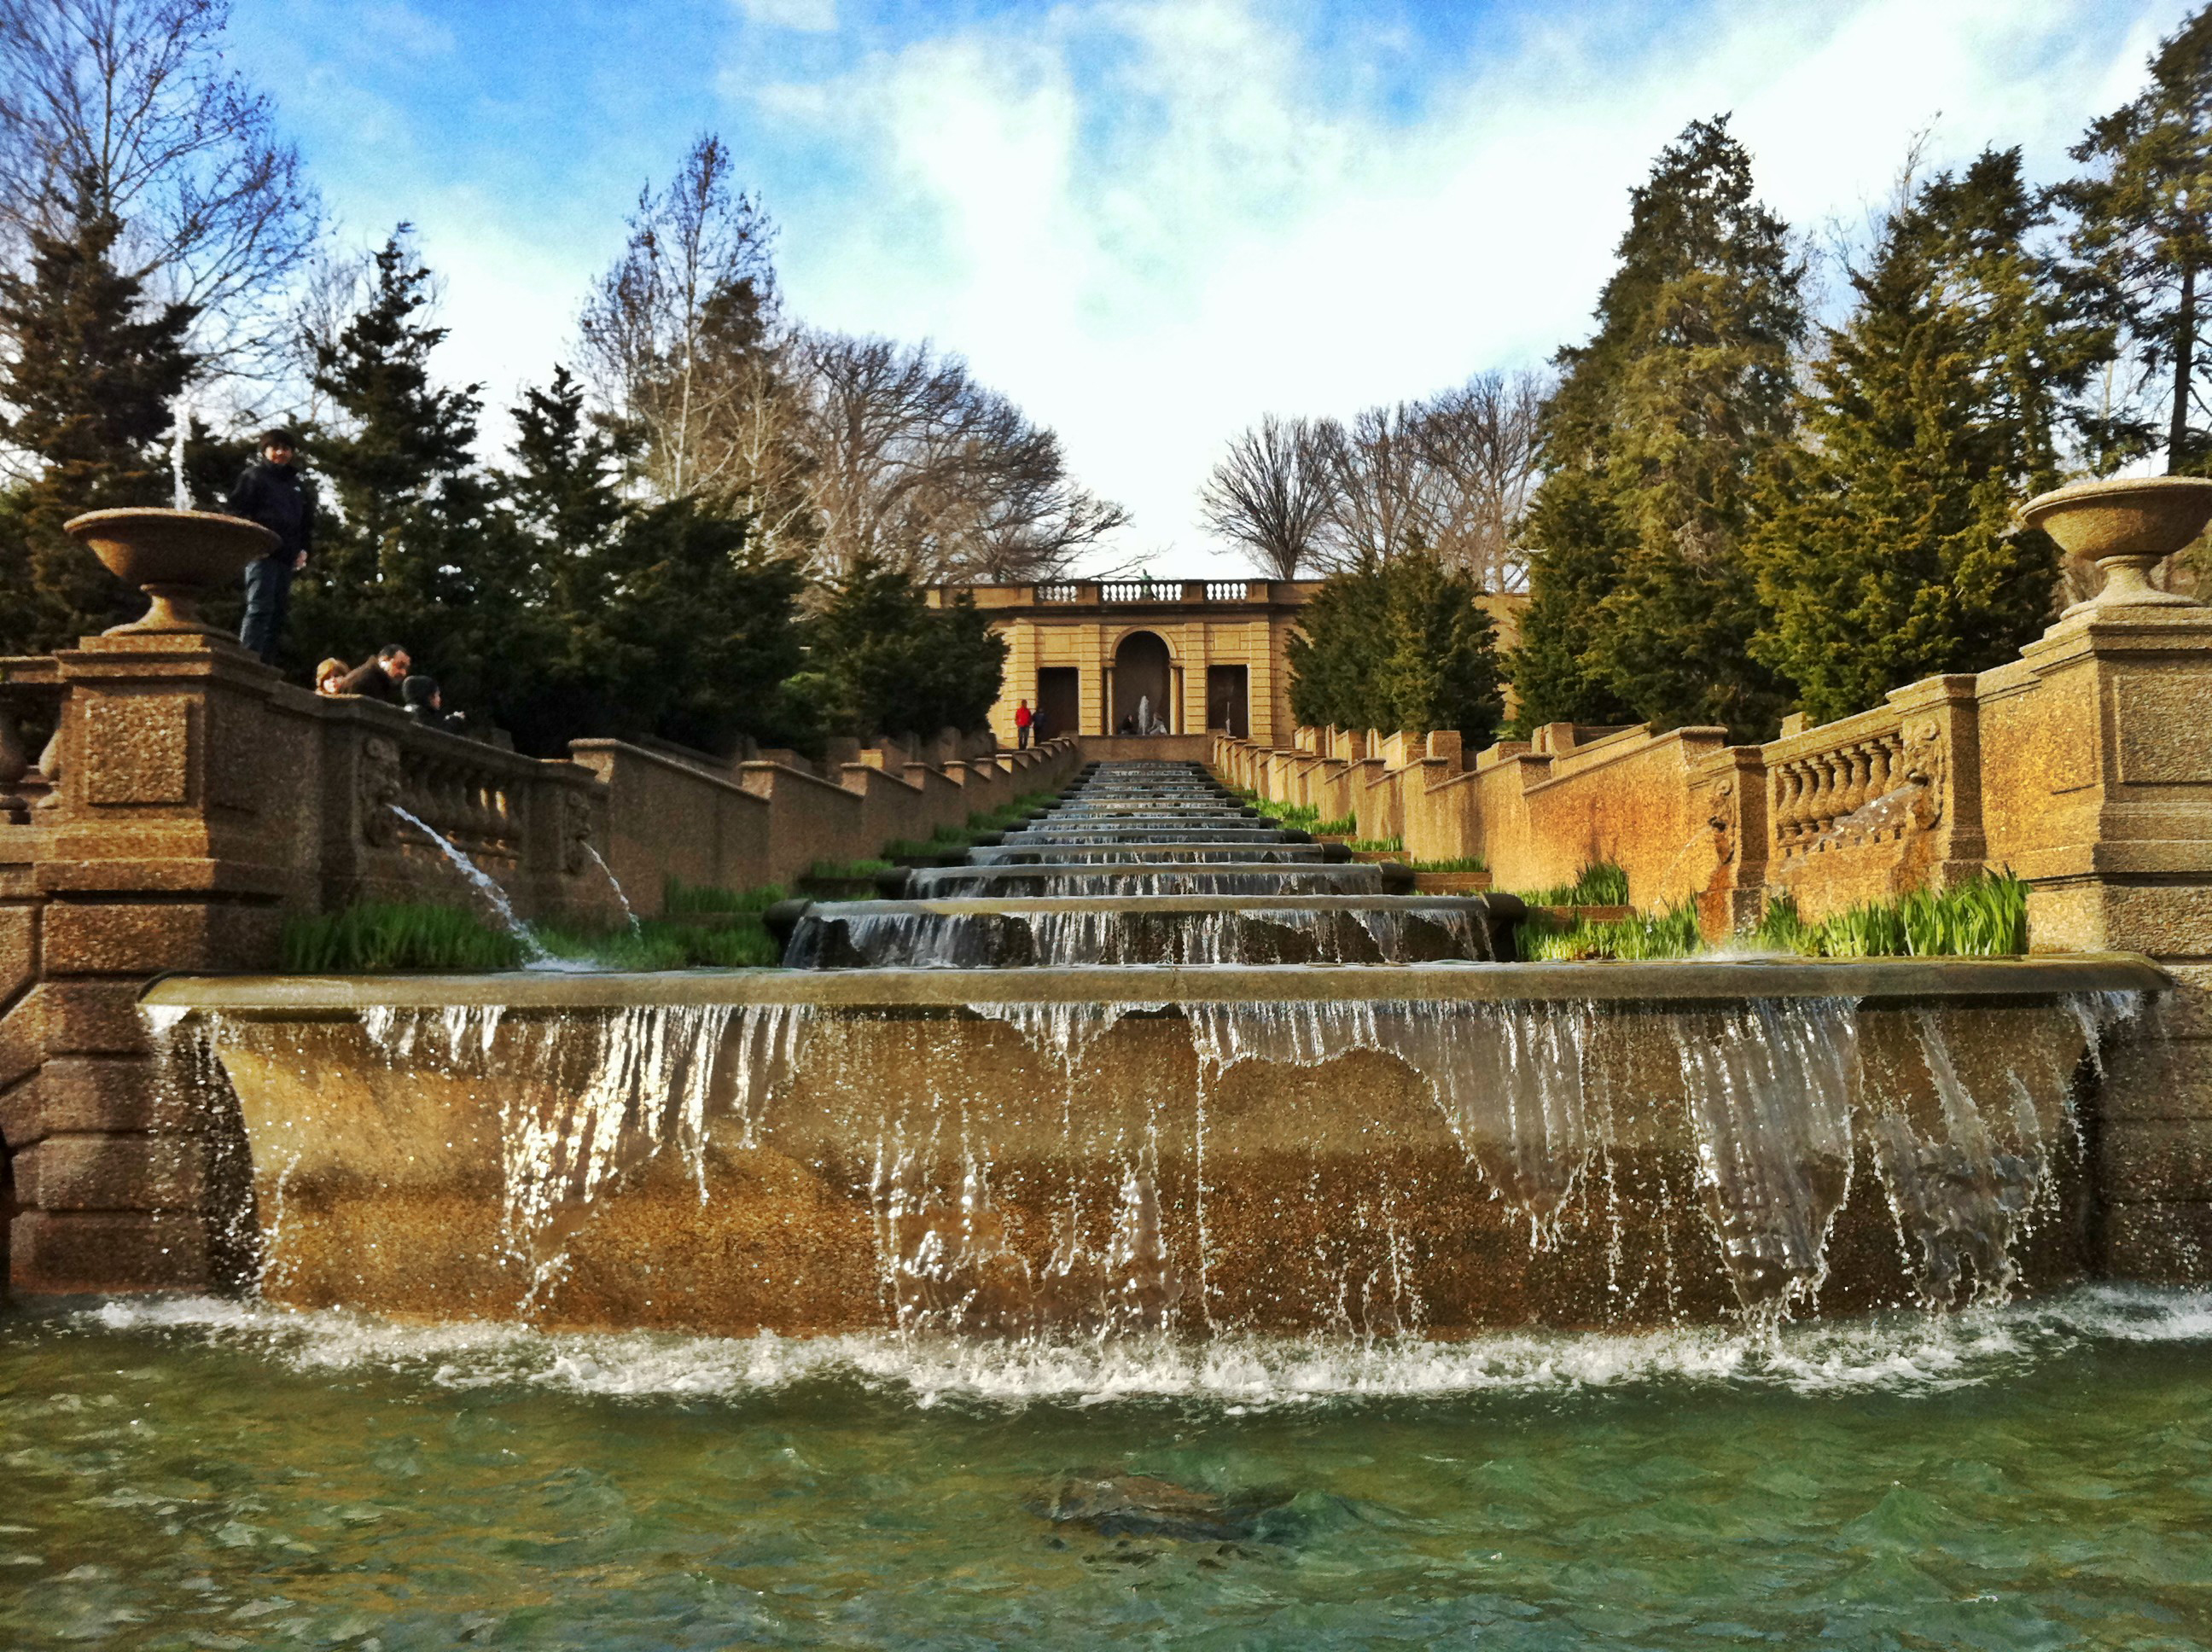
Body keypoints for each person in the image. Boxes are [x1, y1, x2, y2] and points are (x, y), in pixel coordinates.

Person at [228, 428, 313, 664]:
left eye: (285, 448)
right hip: (261, 553)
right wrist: (253, 537)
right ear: (264, 451)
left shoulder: (298, 486)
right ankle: (246, 660)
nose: (280, 453)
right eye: (275, 448)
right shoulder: (253, 477)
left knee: (277, 613)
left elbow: (306, 522)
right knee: (259, 607)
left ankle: (265, 663)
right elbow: (236, 511)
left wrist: (304, 549)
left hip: (287, 557)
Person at [334, 644, 411, 703]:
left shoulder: (381, 682)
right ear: (384, 660)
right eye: (400, 666)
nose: (403, 673)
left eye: (406, 668)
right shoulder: (365, 681)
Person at [400, 674, 466, 734]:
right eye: (437, 695)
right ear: (429, 697)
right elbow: (438, 734)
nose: (439, 699)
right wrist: (455, 720)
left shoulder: (410, 710)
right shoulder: (422, 713)